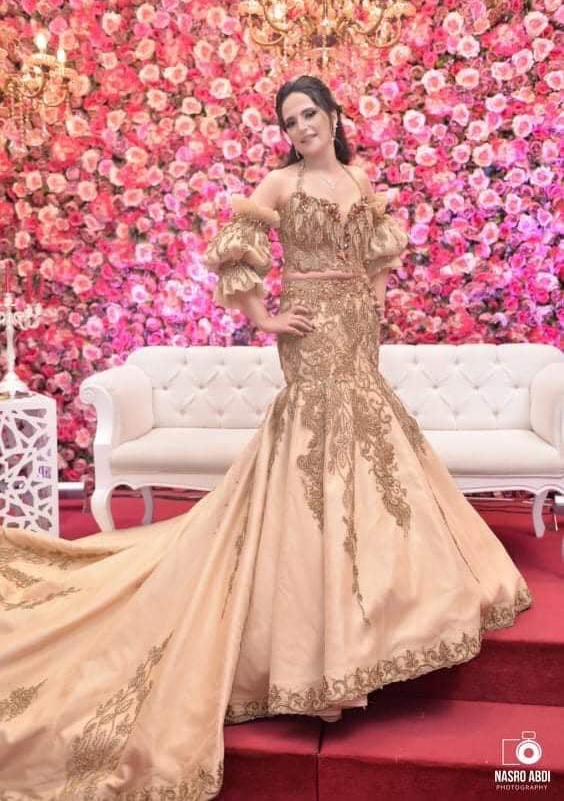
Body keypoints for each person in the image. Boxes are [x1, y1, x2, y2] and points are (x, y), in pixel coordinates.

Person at [0, 75, 532, 799]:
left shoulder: (360, 180)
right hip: (309, 332)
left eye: (310, 114)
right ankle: (318, 653)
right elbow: (235, 256)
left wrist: (369, 307)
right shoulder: (280, 185)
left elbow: (378, 259)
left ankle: (374, 622)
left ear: (334, 116)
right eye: (289, 120)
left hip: (355, 333)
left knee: (370, 454)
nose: (301, 127)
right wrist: (266, 318)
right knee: (316, 463)